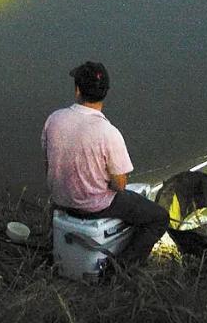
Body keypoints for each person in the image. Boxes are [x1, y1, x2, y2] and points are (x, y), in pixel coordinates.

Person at [41, 61, 169, 269]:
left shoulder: (54, 119)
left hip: (60, 200)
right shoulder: (108, 132)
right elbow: (119, 185)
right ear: (105, 93)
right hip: (96, 207)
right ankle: (123, 267)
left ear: (77, 90)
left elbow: (48, 164)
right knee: (159, 218)